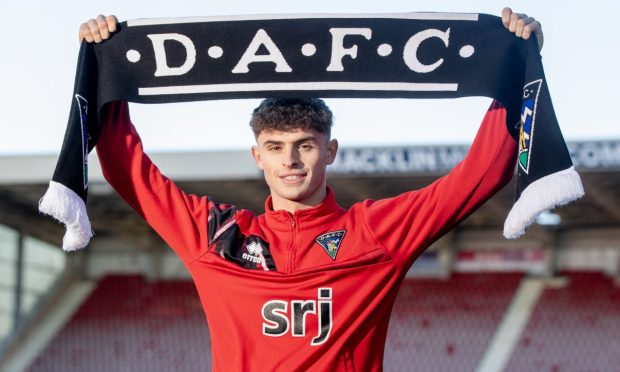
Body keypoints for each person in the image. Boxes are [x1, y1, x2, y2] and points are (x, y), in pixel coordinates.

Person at [80, 8, 543, 371]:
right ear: (257, 155)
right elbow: (128, 170)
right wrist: (110, 70)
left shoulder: (376, 232)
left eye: (305, 145)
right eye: (275, 147)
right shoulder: (218, 235)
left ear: (331, 150)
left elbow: (483, 172)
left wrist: (515, 72)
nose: (291, 161)